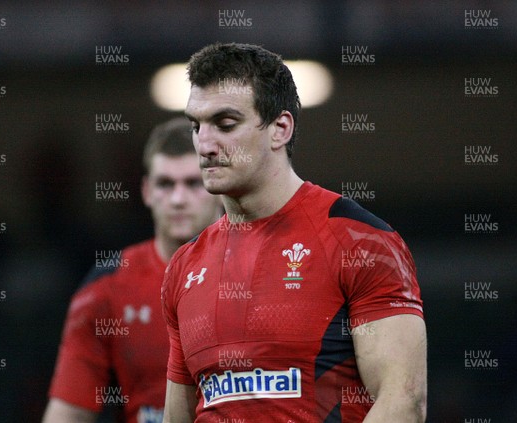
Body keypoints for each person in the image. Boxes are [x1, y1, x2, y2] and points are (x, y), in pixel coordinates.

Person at [161, 42, 427, 422]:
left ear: (280, 129)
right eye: (196, 125)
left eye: (225, 124)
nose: (204, 144)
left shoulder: (359, 241)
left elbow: (403, 401)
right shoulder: (184, 267)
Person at [42, 118, 223, 423]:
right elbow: (67, 414)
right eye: (166, 184)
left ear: (218, 185)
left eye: (193, 183)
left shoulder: (262, 273)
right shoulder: (108, 288)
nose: (178, 199)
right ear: (147, 191)